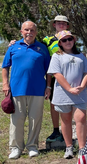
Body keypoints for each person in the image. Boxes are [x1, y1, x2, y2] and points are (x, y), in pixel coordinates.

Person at [8, 15, 71, 142]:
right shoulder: (47, 40)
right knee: (54, 104)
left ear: (67, 25)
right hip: (54, 76)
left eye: (64, 23)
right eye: (59, 23)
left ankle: (68, 130)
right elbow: (32, 46)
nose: (61, 25)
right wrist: (13, 42)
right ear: (54, 25)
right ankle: (55, 130)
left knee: (69, 105)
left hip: (70, 75)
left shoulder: (70, 37)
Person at [2, 21, 51, 159]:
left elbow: (49, 70)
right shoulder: (13, 47)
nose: (29, 32)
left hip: (37, 89)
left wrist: (48, 87)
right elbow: (5, 67)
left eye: (32, 30)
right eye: (26, 30)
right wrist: (5, 84)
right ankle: (16, 148)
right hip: (17, 89)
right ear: (21, 31)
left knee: (35, 119)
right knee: (17, 120)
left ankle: (32, 146)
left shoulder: (42, 48)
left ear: (36, 32)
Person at [47, 30, 87, 159]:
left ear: (74, 40)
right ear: (60, 43)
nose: (68, 42)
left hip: (79, 93)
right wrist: (69, 89)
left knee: (81, 118)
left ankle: (82, 148)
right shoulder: (57, 56)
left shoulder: (81, 56)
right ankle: (69, 147)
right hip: (63, 93)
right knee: (65, 120)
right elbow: (57, 74)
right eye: (64, 40)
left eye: (70, 39)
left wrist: (82, 86)